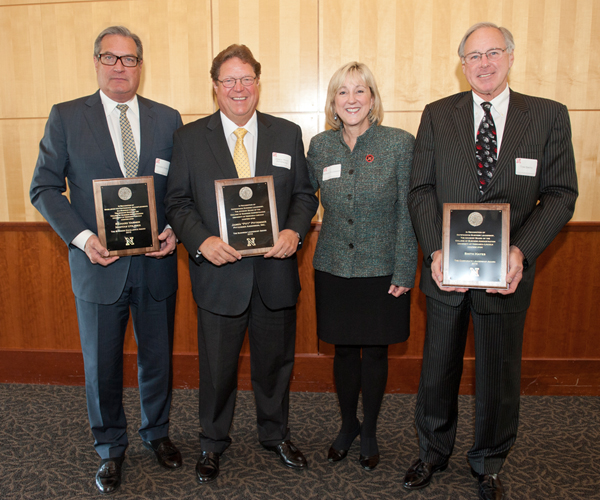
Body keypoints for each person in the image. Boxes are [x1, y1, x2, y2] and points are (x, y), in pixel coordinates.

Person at [404, 22, 578, 500]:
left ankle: (490, 461)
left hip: (509, 272)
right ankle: (432, 453)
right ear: (462, 66)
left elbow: (562, 194)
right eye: (473, 56)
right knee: (438, 366)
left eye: (492, 53)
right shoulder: (437, 115)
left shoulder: (547, 115)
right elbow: (420, 189)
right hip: (446, 271)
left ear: (510, 57)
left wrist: (521, 250)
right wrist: (435, 251)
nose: (483, 63)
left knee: (498, 372)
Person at [30, 26, 183, 495]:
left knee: (157, 359)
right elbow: (44, 187)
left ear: (141, 64)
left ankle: (156, 434)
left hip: (156, 264)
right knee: (101, 365)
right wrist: (80, 237)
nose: (120, 67)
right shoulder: (66, 116)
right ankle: (110, 449)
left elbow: (180, 189)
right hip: (98, 267)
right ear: (96, 62)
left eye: (129, 59)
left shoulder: (168, 118)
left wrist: (176, 227)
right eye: (110, 58)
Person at [164, 44, 318, 484]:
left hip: (274, 272)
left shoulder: (286, 134)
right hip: (218, 274)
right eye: (229, 80)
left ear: (258, 84)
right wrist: (201, 241)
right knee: (217, 368)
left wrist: (294, 231)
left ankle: (275, 434)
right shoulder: (189, 139)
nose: (238, 88)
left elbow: (305, 195)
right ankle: (212, 443)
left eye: (246, 79)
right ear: (215, 88)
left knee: (275, 364)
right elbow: (177, 201)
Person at [306, 62, 417, 471]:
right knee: (342, 349)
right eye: (342, 92)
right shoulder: (320, 146)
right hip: (334, 266)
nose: (351, 99)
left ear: (372, 98)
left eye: (359, 91)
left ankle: (369, 429)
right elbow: (300, 198)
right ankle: (347, 424)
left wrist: (406, 271)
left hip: (382, 269)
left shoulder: (400, 144)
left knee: (375, 351)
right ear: (333, 102)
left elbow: (409, 212)